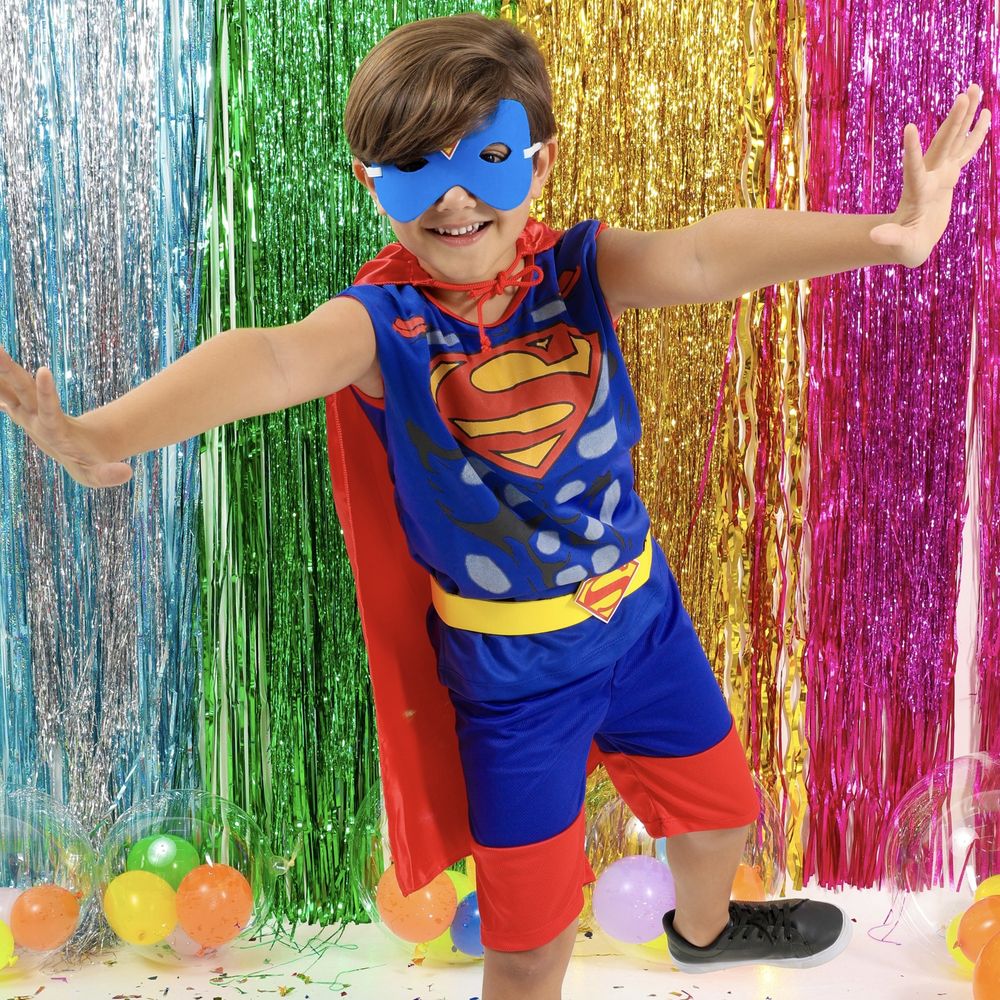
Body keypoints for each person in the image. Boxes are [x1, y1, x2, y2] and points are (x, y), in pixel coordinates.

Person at [0, 12, 990, 1000]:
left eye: (487, 157)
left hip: (642, 621)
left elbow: (700, 255)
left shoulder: (577, 270)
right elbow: (270, 358)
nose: (456, 196)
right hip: (516, 679)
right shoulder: (382, 322)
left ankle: (702, 930)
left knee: (722, 811)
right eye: (416, 168)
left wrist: (885, 237)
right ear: (371, 181)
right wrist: (102, 434)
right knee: (528, 941)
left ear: (540, 163)